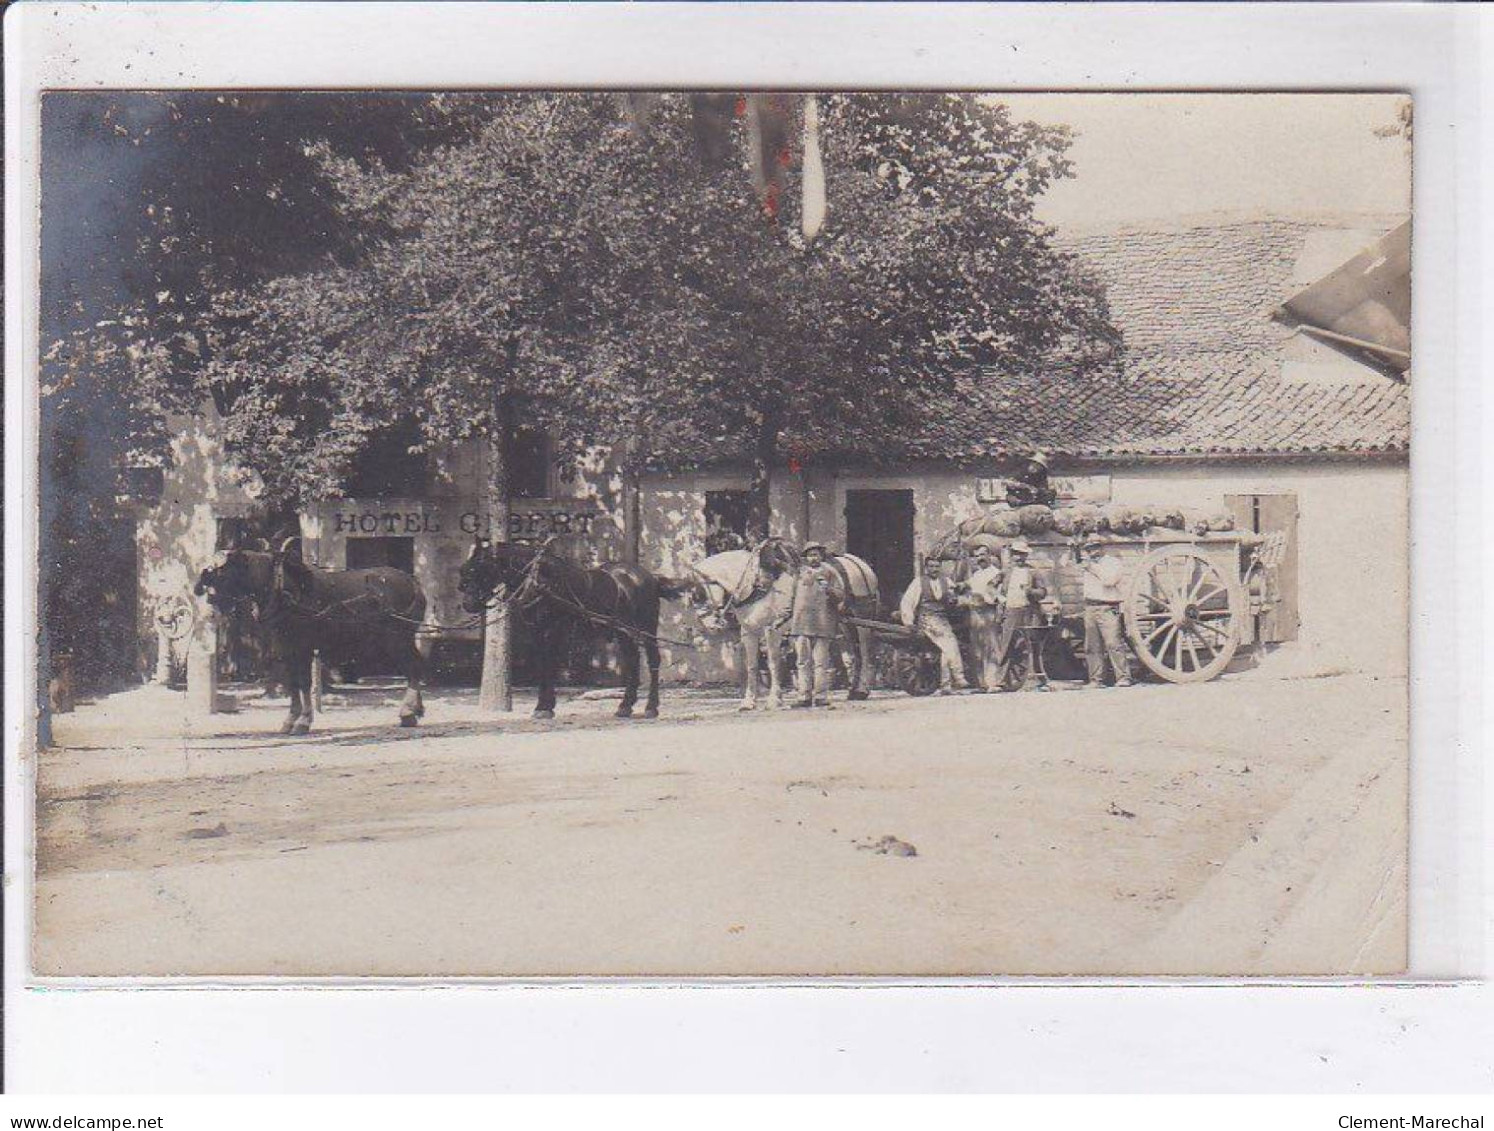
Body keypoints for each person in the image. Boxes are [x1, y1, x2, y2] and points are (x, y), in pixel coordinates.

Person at [898, 553, 968, 694]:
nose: (934, 569)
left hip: (942, 619)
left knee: (945, 648)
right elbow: (907, 602)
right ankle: (959, 677)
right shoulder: (919, 582)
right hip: (927, 619)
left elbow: (955, 596)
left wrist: (956, 599)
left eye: (937, 566)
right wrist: (909, 622)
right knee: (950, 643)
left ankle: (946, 685)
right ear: (926, 568)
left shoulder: (946, 581)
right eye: (931, 566)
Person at [787, 542, 844, 708]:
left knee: (820, 662)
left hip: (822, 623)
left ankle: (820, 696)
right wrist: (786, 617)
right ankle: (803, 696)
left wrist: (829, 589)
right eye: (810, 555)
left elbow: (840, 595)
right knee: (802, 661)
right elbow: (792, 597)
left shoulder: (830, 572)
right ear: (806, 558)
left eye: (816, 555)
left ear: (821, 556)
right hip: (801, 623)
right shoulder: (799, 573)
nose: (813, 558)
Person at [990, 538, 1046, 690]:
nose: (1019, 557)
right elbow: (991, 586)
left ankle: (1037, 680)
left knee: (1031, 646)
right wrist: (999, 598)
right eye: (1016, 554)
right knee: (1007, 646)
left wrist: (1031, 592)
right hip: (1010, 612)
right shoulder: (1006, 571)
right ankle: (1000, 681)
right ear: (1012, 555)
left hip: (1028, 611)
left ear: (1026, 555)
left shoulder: (1033, 572)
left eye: (1022, 554)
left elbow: (1043, 592)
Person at [1081, 535, 1134, 688]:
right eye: (1089, 549)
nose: (1092, 551)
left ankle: (1123, 677)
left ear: (1102, 548)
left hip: (1107, 606)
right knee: (1092, 646)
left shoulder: (1113, 563)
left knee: (1113, 643)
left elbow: (1109, 581)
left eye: (1096, 547)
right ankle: (1096, 679)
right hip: (1090, 606)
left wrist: (1091, 568)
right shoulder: (1087, 563)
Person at [962, 543, 1005, 692]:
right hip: (975, 612)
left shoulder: (996, 573)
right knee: (977, 648)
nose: (980, 558)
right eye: (977, 556)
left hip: (989, 611)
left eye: (982, 555)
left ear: (989, 556)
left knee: (991, 647)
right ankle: (981, 684)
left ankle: (992, 682)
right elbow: (970, 586)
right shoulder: (976, 574)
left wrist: (984, 597)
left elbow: (996, 594)